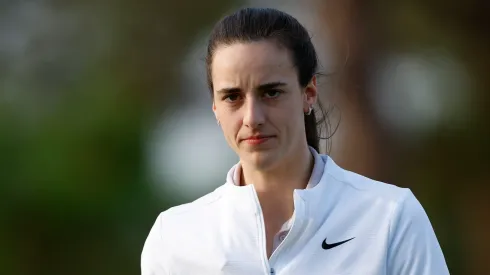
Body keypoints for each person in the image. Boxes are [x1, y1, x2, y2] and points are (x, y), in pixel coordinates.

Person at [141, 7, 449, 275]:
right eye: (232, 97)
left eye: (271, 92)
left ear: (308, 94)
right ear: (215, 108)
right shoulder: (175, 238)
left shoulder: (391, 217)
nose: (252, 117)